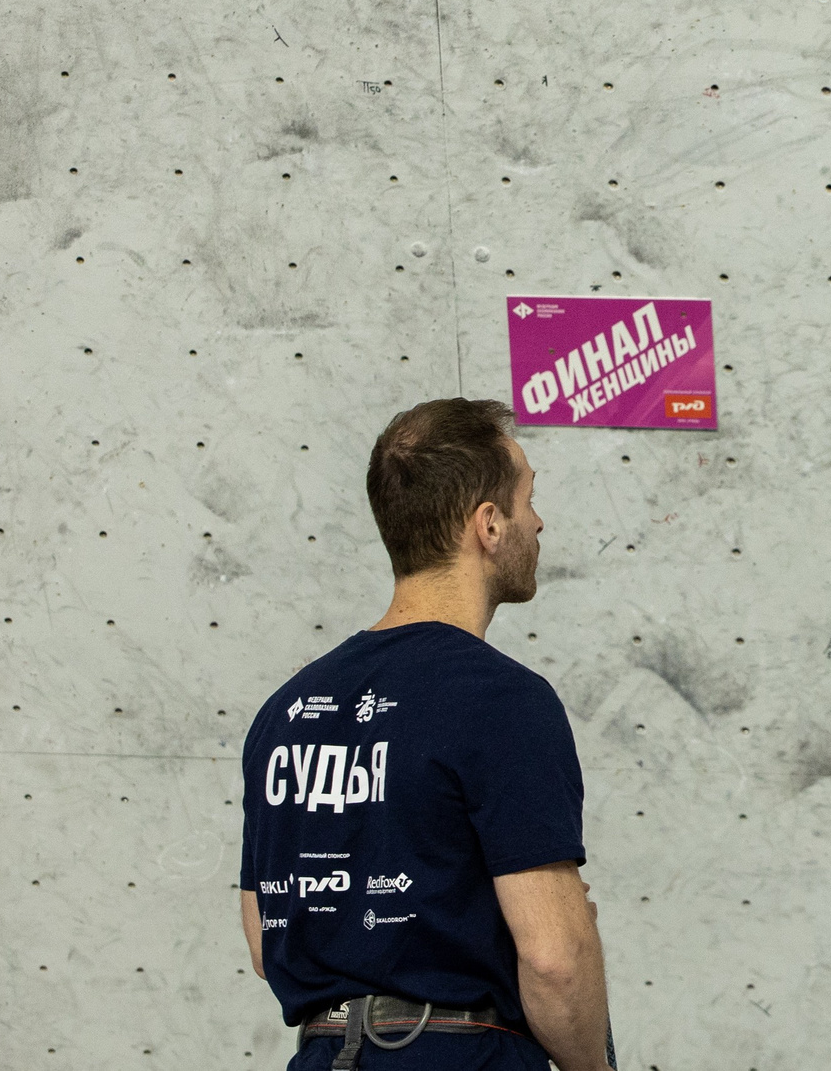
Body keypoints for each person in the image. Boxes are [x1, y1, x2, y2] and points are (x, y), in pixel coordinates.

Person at [238, 399, 614, 1069]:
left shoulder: (284, 712)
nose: (538, 520)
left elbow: (268, 941)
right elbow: (555, 961)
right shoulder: (503, 699)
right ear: (488, 524)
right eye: (528, 498)